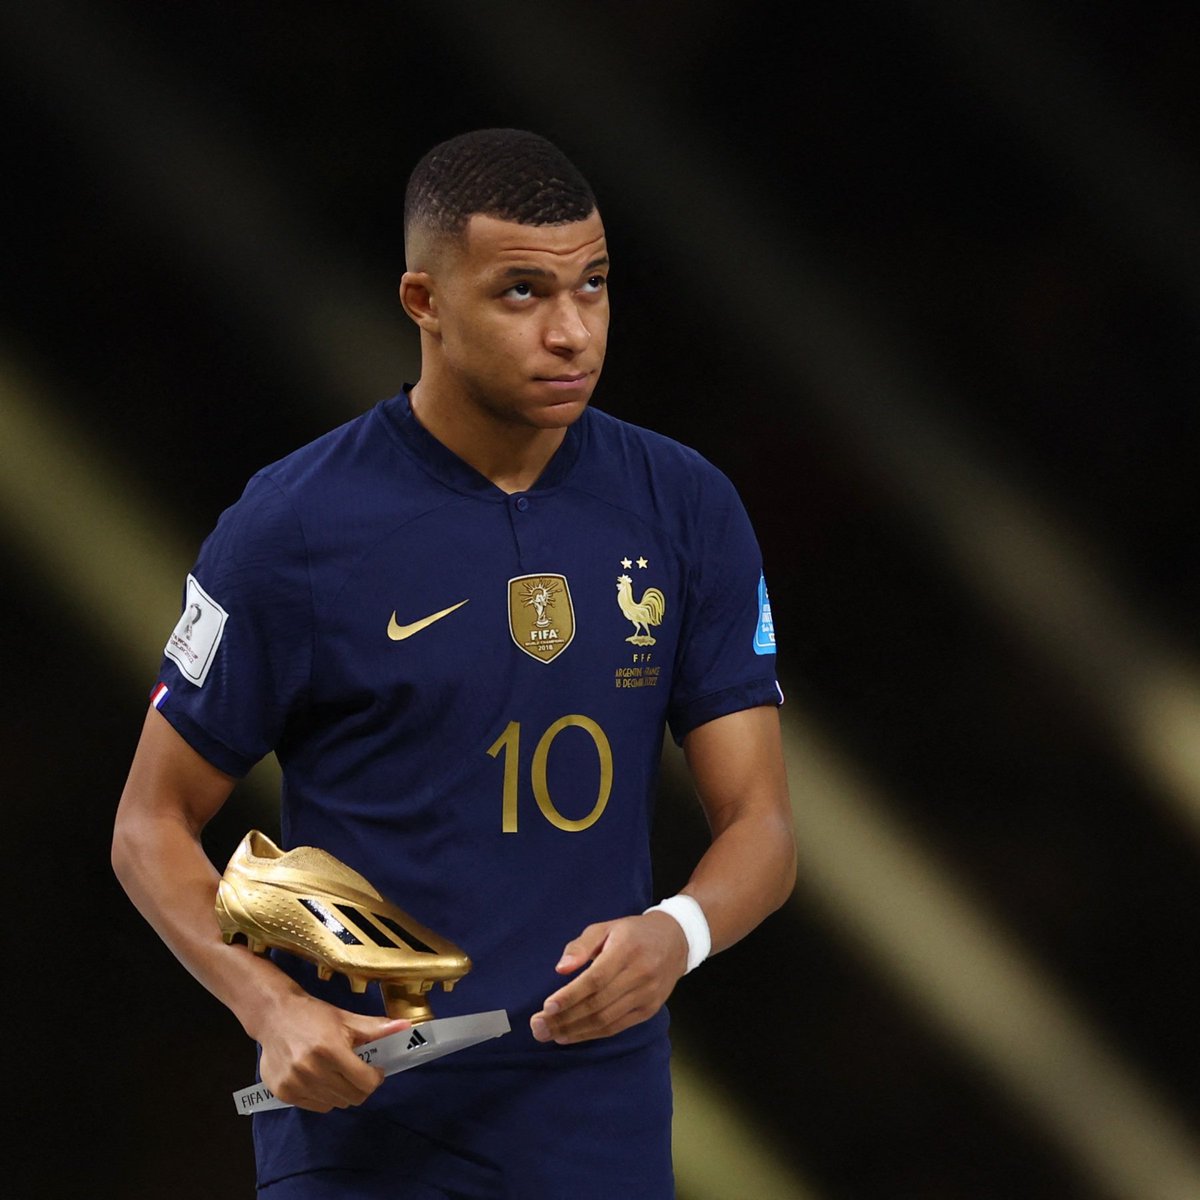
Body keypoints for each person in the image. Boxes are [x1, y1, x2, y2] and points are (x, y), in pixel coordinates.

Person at [112, 127, 796, 1199]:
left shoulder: (685, 507)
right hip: (360, 1135)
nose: (572, 332)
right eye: (523, 292)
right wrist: (273, 1008)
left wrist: (680, 932)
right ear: (422, 301)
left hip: (595, 1125)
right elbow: (149, 824)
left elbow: (762, 825)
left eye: (593, 285)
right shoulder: (293, 527)